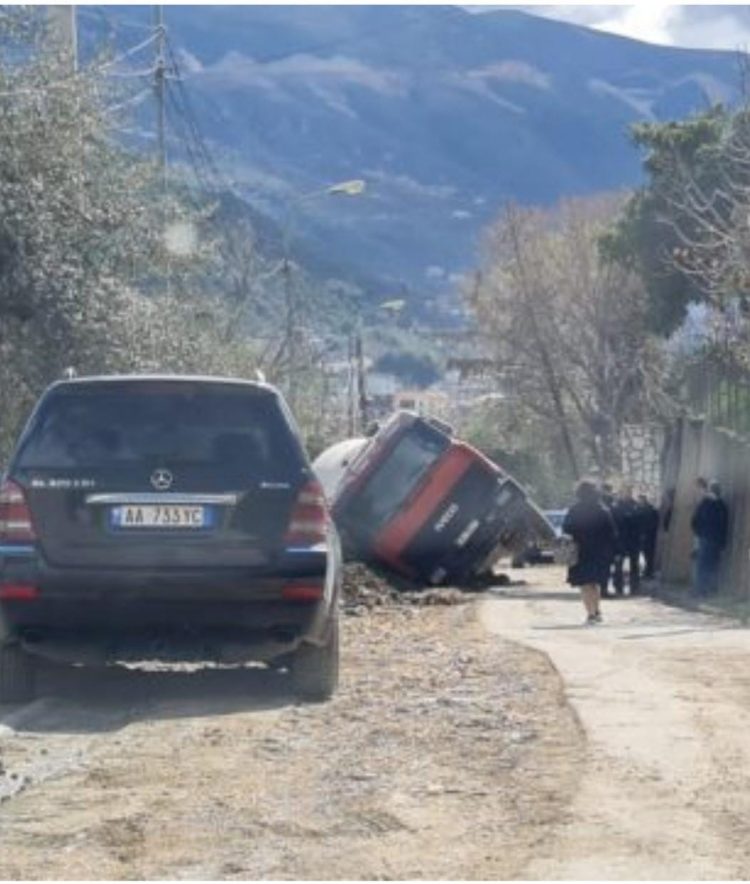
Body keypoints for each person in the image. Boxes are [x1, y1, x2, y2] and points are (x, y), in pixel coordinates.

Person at [563, 479, 618, 625]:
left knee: (585, 584)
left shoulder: (574, 510)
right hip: (599, 552)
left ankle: (591, 614)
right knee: (595, 583)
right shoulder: (603, 510)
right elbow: (612, 533)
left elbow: (566, 529)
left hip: (580, 551)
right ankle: (597, 610)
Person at [691, 478, 729, 596]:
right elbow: (724, 526)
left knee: (702, 565)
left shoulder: (705, 503)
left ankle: (700, 591)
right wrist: (723, 543)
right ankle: (710, 590)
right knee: (713, 565)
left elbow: (695, 521)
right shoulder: (723, 505)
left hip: (705, 538)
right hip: (716, 541)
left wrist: (699, 533)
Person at [611, 485, 642, 595]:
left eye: (628, 492)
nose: (626, 494)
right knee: (618, 564)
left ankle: (635, 587)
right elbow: (613, 524)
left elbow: (641, 523)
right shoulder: (615, 507)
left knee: (634, 564)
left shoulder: (636, 506)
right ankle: (618, 587)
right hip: (620, 540)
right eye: (624, 492)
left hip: (634, 540)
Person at [638, 494, 660, 580]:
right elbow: (656, 523)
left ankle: (647, 572)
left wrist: (642, 533)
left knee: (646, 555)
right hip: (650, 537)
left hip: (645, 536)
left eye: (640, 501)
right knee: (649, 555)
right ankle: (648, 572)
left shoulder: (644, 510)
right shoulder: (652, 510)